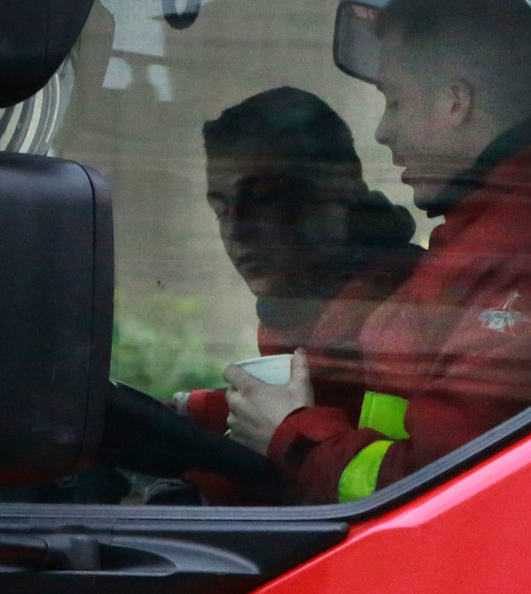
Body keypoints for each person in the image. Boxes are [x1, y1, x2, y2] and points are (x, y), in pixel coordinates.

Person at [222, 0, 531, 505]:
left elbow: (445, 485)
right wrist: (205, 415)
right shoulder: (490, 238)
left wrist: (293, 439)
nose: (383, 131)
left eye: (395, 101)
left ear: (456, 103)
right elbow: (377, 399)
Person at [174, 88, 422, 444]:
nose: (236, 230)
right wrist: (194, 413)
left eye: (262, 198)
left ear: (343, 184)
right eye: (222, 208)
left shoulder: (405, 317)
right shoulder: (306, 314)